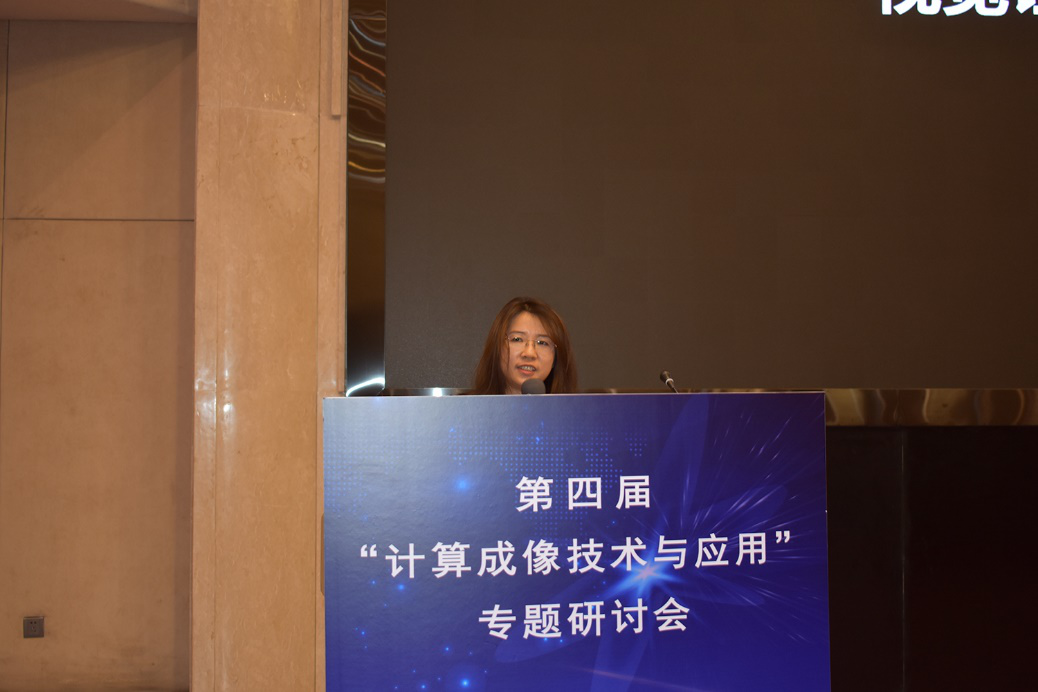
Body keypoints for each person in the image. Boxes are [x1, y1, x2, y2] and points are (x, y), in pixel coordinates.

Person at [471, 296, 578, 395]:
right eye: (517, 339)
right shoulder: (466, 408)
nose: (529, 353)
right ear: (497, 348)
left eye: (542, 343)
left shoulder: (577, 409)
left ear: (556, 358)